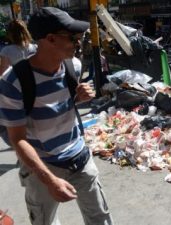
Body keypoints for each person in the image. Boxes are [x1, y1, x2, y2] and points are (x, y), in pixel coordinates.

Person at [0, 7, 113, 225]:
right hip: (43, 167)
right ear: (50, 39)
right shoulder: (13, 81)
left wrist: (77, 98)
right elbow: (18, 139)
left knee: (101, 219)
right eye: (71, 38)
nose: (78, 42)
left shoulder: (74, 66)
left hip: (80, 157)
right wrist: (49, 179)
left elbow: (59, 105)